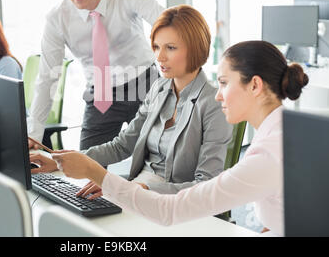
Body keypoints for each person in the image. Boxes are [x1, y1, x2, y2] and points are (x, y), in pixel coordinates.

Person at [52, 40, 309, 236]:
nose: (218, 95)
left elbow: (169, 211)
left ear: (254, 85)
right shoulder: (286, 133)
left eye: (224, 83)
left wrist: (94, 172)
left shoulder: (266, 155)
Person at [31, 5, 233, 197]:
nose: (159, 57)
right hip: (137, 191)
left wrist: (137, 189)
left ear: (195, 48)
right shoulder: (159, 89)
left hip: (173, 203)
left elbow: (206, 185)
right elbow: (122, 145)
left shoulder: (214, 103)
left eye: (170, 48)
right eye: (156, 46)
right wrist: (60, 161)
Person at [28, 0, 165, 150]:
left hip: (144, 83)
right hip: (100, 91)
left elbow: (166, 23)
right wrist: (34, 135)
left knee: (158, 157)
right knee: (87, 165)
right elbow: (47, 78)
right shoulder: (57, 18)